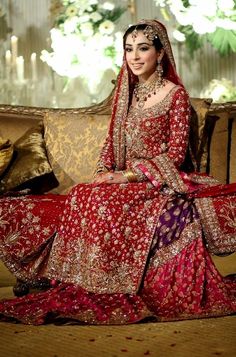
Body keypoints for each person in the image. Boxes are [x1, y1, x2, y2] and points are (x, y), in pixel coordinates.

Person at [0, 19, 236, 325]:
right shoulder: (127, 94)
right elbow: (110, 144)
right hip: (123, 179)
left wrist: (125, 176)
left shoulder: (174, 95)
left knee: (103, 200)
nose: (135, 57)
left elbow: (176, 155)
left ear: (160, 54)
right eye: (129, 50)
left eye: (143, 49)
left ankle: (115, 284)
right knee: (84, 193)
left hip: (158, 181)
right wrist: (103, 173)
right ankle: (82, 281)